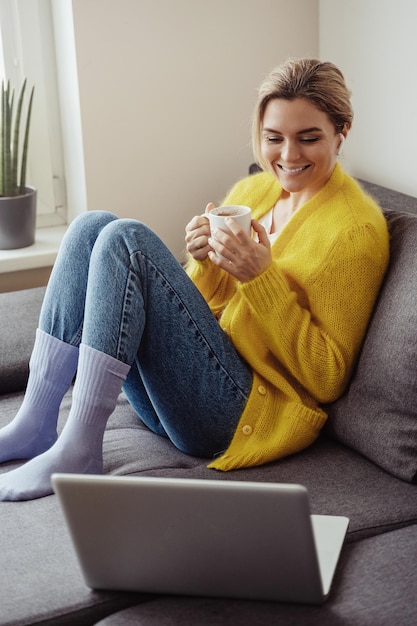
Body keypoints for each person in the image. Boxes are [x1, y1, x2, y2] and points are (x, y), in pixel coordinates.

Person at [0, 58, 389, 501]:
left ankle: (80, 447)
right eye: (273, 138)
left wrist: (261, 278)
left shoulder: (355, 232)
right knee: (93, 225)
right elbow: (199, 312)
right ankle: (35, 421)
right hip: (181, 394)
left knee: (127, 239)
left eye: (309, 138)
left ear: (342, 131)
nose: (287, 156)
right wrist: (203, 264)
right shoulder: (253, 193)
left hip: (240, 415)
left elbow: (327, 378)